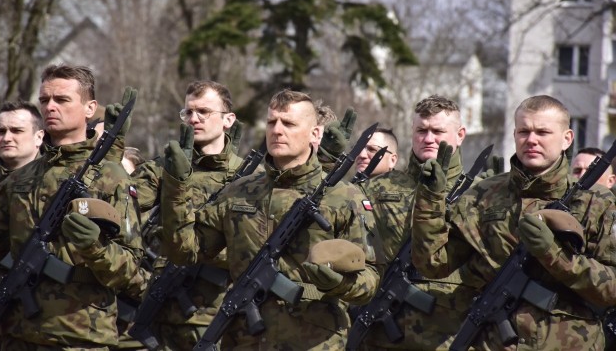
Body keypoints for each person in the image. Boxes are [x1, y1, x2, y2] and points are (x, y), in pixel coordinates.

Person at [161, 89, 380, 349]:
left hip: (314, 342)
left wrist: (341, 284)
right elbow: (185, 251)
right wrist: (176, 186)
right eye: (271, 122)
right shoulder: (238, 191)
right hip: (245, 339)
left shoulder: (345, 197)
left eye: (288, 123)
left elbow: (370, 279)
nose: (277, 130)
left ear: (315, 134)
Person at [412, 95, 616, 349]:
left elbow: (611, 290)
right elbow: (433, 264)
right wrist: (429, 201)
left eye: (542, 132)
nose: (531, 140)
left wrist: (553, 253)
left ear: (567, 139)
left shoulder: (597, 202)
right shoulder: (483, 194)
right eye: (524, 131)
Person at [0, 64, 145, 349]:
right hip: (18, 337)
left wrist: (95, 248)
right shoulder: (19, 179)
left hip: (80, 338)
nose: (50, 107)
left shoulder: (111, 177)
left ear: (90, 108)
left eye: (62, 100)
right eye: (44, 100)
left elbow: (134, 276)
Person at [355, 96, 480, 350]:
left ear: (460, 134)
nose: (429, 138)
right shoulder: (377, 188)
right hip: (382, 333)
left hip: (449, 334)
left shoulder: (479, 195)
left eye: (438, 131)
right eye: (421, 130)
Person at [132, 80, 245, 350]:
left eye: (204, 112)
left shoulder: (249, 178)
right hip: (161, 311)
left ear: (228, 119)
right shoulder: (162, 169)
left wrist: (205, 249)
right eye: (188, 113)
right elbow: (122, 207)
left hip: (220, 317)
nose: (194, 119)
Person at [0, 101, 45, 325]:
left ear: (39, 137)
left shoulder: (51, 186)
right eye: (1, 131)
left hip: (36, 317)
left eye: (16, 131)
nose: (6, 138)